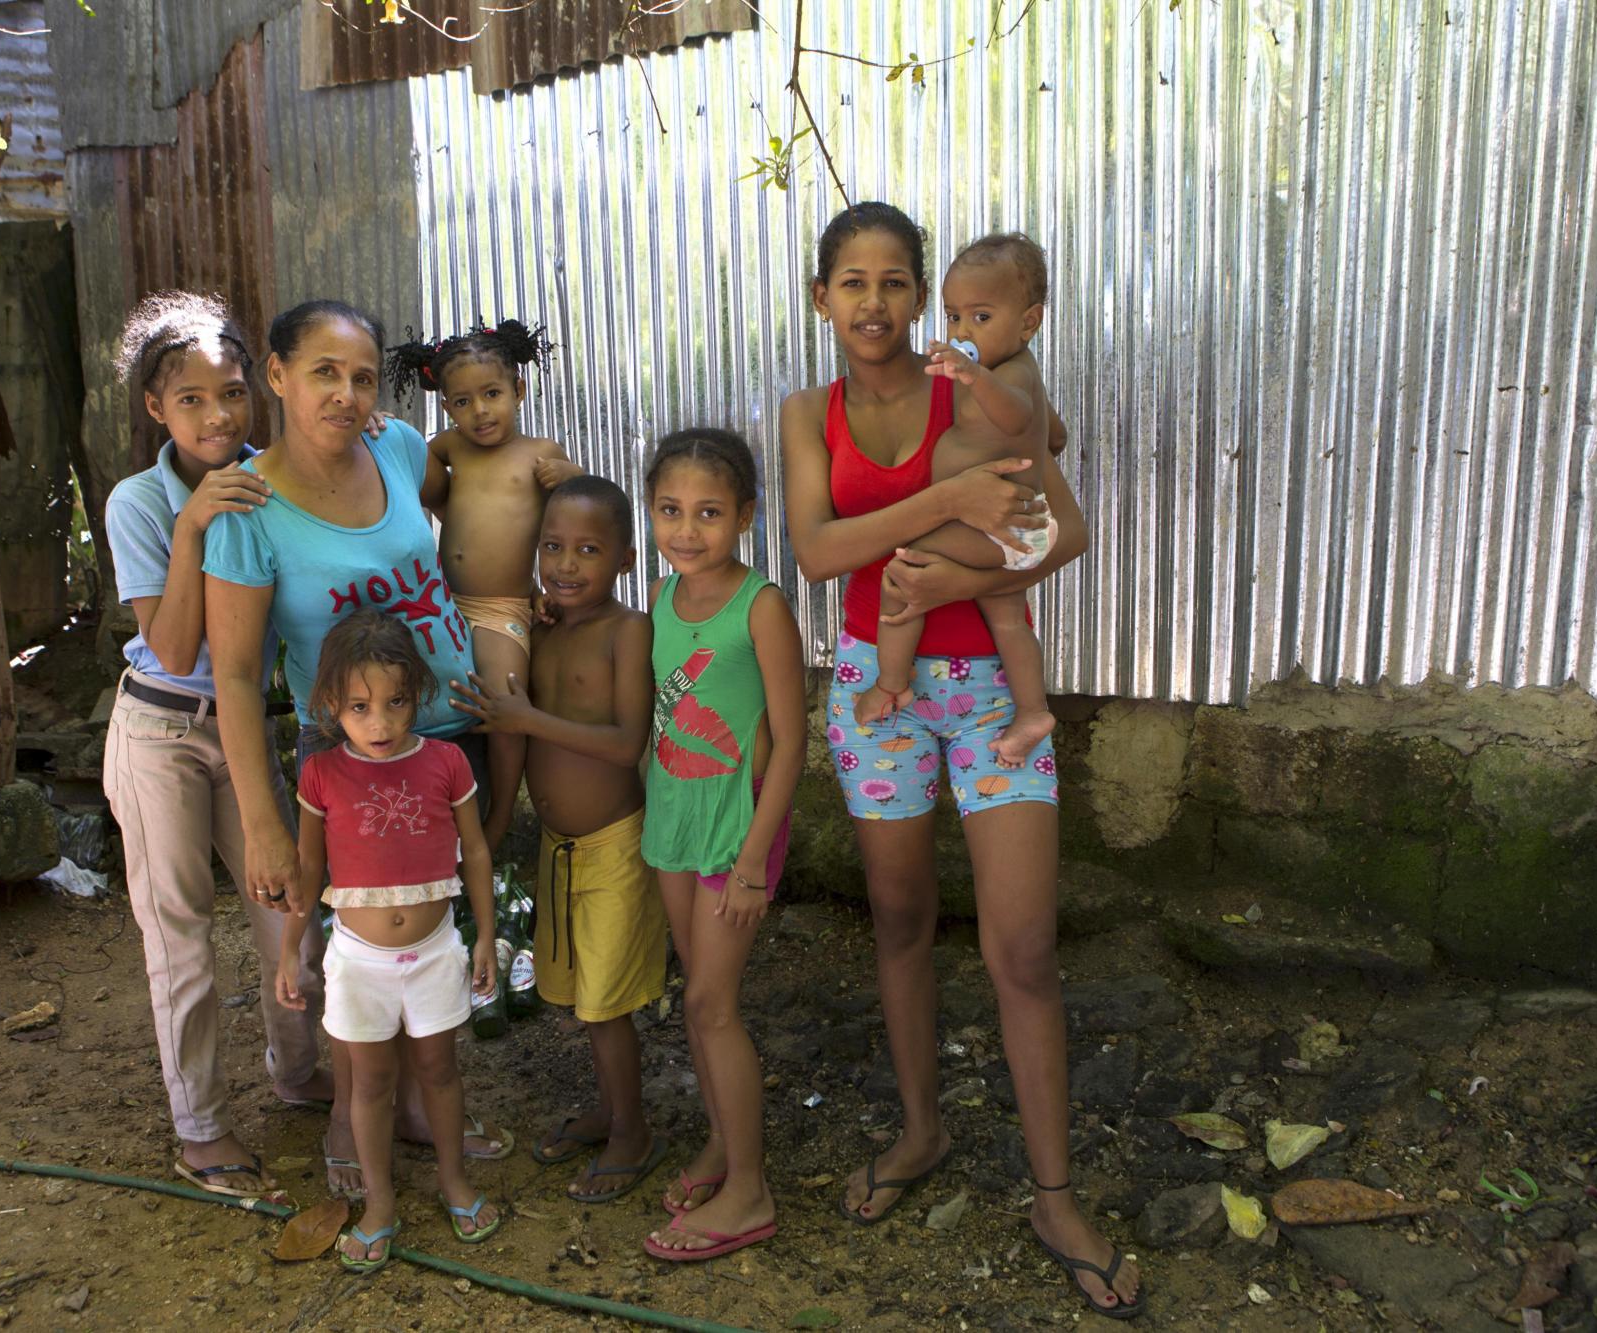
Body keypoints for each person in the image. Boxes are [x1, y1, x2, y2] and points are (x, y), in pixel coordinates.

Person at [781, 203, 1143, 1319]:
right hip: (871, 688)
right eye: (851, 281)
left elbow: (1062, 531)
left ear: (923, 294)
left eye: (895, 282)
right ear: (821, 298)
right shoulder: (807, 413)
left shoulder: (975, 383)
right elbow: (817, 552)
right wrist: (939, 512)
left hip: (988, 690)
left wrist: (952, 582)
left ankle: (1052, 1192)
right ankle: (921, 1129)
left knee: (1021, 947)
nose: (874, 303)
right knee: (895, 919)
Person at [202, 298, 512, 1197]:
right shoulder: (249, 512)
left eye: (363, 376)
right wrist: (262, 822)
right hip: (350, 755)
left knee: (430, 925)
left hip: (453, 736)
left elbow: (457, 520)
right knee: (356, 944)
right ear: (276, 375)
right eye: (324, 372)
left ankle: (420, 1105)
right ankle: (351, 1111)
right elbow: (232, 678)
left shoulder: (400, 450)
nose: (345, 393)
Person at [99, 291, 317, 1201]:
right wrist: (194, 526)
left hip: (243, 730)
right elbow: (181, 650)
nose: (217, 414)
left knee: (289, 914)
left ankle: (300, 1075)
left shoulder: (277, 475)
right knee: (180, 934)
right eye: (190, 399)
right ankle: (199, 1128)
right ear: (156, 409)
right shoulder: (139, 504)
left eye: (230, 392)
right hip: (159, 732)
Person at [448, 475, 670, 1204]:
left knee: (607, 1003)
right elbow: (515, 735)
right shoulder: (541, 632)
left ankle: (633, 1131)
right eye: (552, 547)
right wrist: (502, 814)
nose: (566, 564)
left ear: (625, 560)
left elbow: (625, 741)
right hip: (559, 848)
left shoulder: (627, 630)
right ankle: (608, 1110)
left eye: (587, 550)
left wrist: (526, 718)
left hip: (614, 844)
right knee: (581, 996)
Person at [275, 610, 502, 1270]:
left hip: (435, 950)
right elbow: (309, 868)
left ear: (417, 692)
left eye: (396, 701)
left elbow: (477, 852)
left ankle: (454, 1179)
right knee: (369, 1083)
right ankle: (379, 1203)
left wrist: (484, 935)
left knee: (439, 1068)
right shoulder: (321, 774)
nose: (381, 722)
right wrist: (291, 950)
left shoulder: (446, 761)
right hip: (357, 959)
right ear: (329, 705)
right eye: (360, 706)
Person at [636, 429, 806, 1262]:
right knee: (696, 996)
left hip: (735, 835)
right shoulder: (661, 603)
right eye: (671, 510)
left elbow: (792, 742)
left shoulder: (760, 606)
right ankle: (719, 1142)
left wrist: (751, 861)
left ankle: (750, 1189)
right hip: (672, 824)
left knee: (712, 1003)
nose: (687, 529)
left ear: (744, 514)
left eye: (708, 512)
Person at [854, 232, 1064, 766]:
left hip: (996, 526)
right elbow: (1047, 429)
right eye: (953, 318)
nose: (963, 332)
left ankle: (891, 684)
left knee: (904, 573)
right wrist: (1046, 438)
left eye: (981, 318)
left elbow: (1017, 415)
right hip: (1011, 528)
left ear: (1029, 322)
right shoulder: (1006, 372)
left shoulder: (1010, 373)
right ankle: (1033, 711)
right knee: (1009, 620)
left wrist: (971, 376)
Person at [386, 320, 582, 854]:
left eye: (492, 394)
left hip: (501, 607)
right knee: (422, 697)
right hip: (443, 603)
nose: (481, 411)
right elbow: (427, 484)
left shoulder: (542, 451)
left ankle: (499, 815)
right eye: (463, 401)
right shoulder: (451, 446)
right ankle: (415, 805)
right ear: (447, 407)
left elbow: (568, 524)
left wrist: (570, 474)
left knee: (502, 702)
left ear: (518, 390)